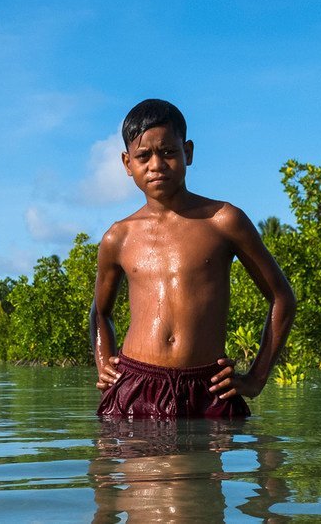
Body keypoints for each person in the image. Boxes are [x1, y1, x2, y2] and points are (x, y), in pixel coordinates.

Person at [90, 98, 296, 418]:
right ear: (127, 163)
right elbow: (100, 313)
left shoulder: (223, 220)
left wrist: (256, 378)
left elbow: (282, 298)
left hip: (209, 387)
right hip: (135, 386)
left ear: (188, 152)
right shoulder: (119, 237)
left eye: (168, 152)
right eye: (143, 156)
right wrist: (104, 364)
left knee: (206, 469)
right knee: (134, 467)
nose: (156, 165)